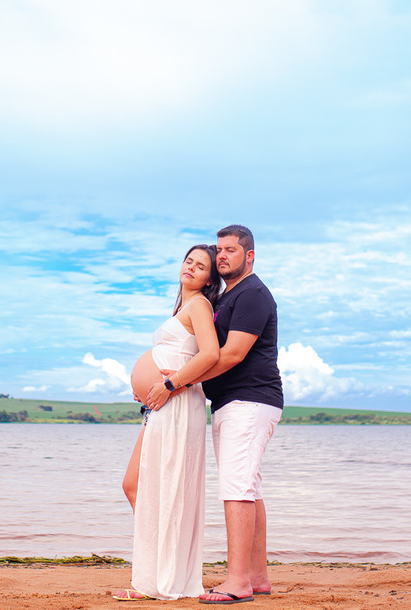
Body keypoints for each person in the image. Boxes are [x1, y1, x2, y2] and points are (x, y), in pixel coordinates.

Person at [113, 244, 223, 601]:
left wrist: (167, 385)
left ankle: (159, 580)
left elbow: (210, 353)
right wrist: (145, 387)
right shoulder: (184, 305)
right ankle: (157, 574)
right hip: (160, 403)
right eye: (188, 261)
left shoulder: (200, 305)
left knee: (161, 488)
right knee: (137, 485)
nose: (191, 268)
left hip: (176, 403)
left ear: (210, 279)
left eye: (201, 266)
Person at [188, 225, 283, 605]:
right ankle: (256, 577)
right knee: (249, 488)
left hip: (250, 400)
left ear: (250, 255)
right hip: (233, 403)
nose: (222, 255)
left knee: (236, 488)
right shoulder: (230, 296)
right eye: (220, 250)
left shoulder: (253, 293)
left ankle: (238, 581)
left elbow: (231, 355)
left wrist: (179, 382)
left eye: (230, 249)